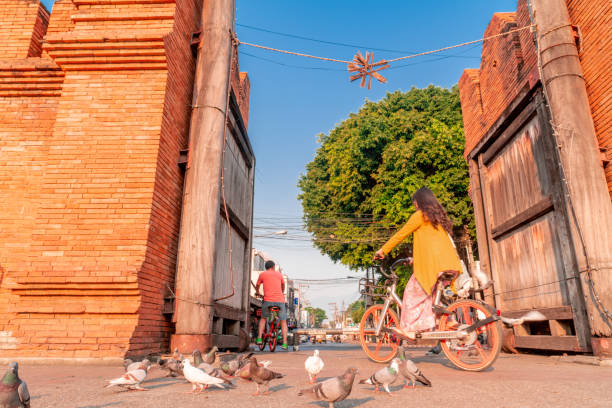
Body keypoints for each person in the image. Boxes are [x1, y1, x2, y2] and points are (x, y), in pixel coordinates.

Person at [374, 187, 462, 340]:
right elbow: (433, 245)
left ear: (420, 201)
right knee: (433, 296)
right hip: (450, 263)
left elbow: (400, 234)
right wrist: (416, 259)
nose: (414, 205)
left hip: (433, 266)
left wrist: (383, 250)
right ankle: (449, 320)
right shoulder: (439, 219)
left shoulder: (420, 216)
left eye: (414, 201)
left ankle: (409, 330)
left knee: (410, 294)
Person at [255, 260, 289, 350]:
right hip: (280, 301)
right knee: (283, 321)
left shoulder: (262, 274)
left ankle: (259, 338)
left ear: (266, 267)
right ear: (274, 267)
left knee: (263, 318)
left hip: (267, 300)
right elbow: (283, 285)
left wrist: (257, 291)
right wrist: (281, 292)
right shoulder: (279, 275)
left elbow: (257, 284)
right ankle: (285, 343)